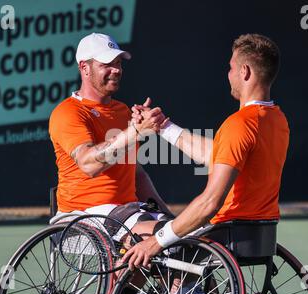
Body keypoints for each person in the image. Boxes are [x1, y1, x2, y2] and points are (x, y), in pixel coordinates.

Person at [123, 33, 290, 270]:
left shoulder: (239, 124)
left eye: (231, 68)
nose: (228, 74)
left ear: (244, 72)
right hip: (258, 234)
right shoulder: (277, 120)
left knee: (134, 233)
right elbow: (217, 156)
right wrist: (163, 127)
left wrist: (154, 243)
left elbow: (210, 202)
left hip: (223, 233)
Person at [49, 33, 172, 243]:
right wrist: (134, 133)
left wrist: (168, 215)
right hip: (80, 217)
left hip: (128, 212)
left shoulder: (123, 111)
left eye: (118, 63)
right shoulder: (68, 112)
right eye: (107, 64)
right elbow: (89, 164)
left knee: (181, 238)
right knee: (152, 239)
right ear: (84, 68)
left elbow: (137, 174)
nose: (116, 70)